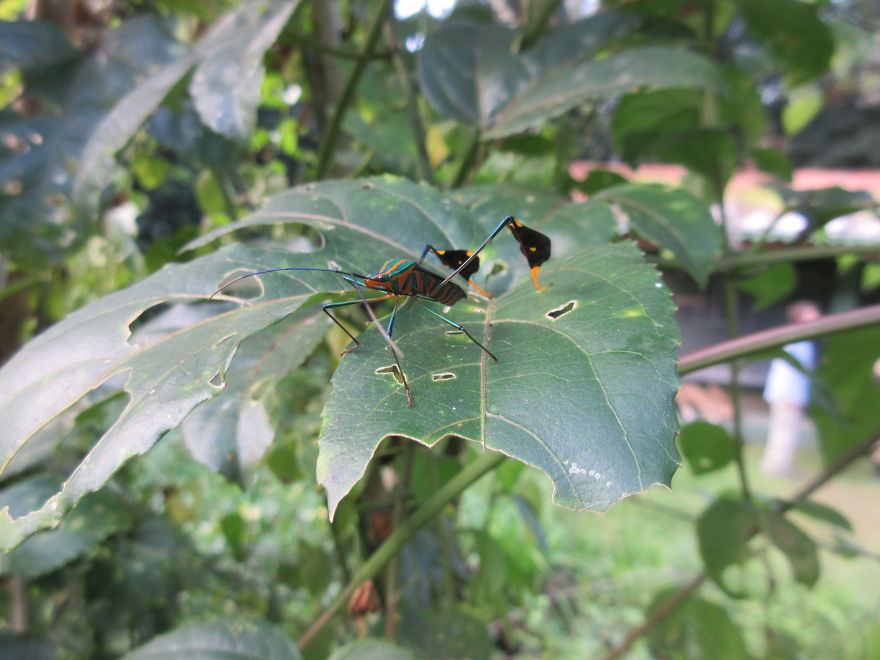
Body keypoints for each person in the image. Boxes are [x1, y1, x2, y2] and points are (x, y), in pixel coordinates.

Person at [761, 301, 821, 476]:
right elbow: (788, 373)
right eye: (812, 311)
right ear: (800, 317)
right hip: (788, 396)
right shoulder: (796, 340)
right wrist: (790, 397)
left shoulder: (803, 340)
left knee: (786, 430)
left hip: (790, 395)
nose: (817, 314)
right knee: (784, 431)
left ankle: (778, 464)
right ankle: (776, 466)